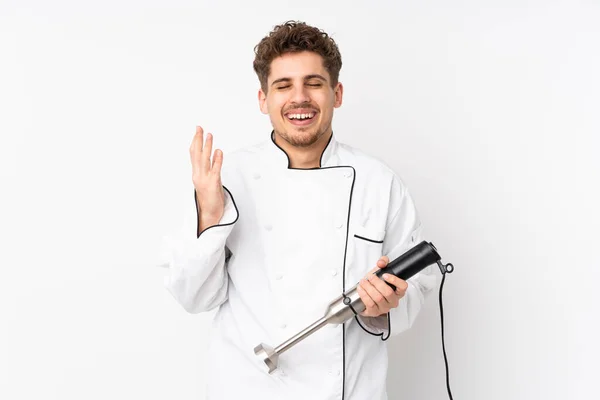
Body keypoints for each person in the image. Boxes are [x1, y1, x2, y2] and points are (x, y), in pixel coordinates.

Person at [159, 20, 437, 400]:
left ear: (336, 93)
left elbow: (418, 288)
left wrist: (383, 307)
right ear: (263, 99)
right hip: (248, 387)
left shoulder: (379, 182)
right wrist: (209, 217)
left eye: (314, 83)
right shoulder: (226, 178)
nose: (300, 97)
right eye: (283, 85)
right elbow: (193, 297)